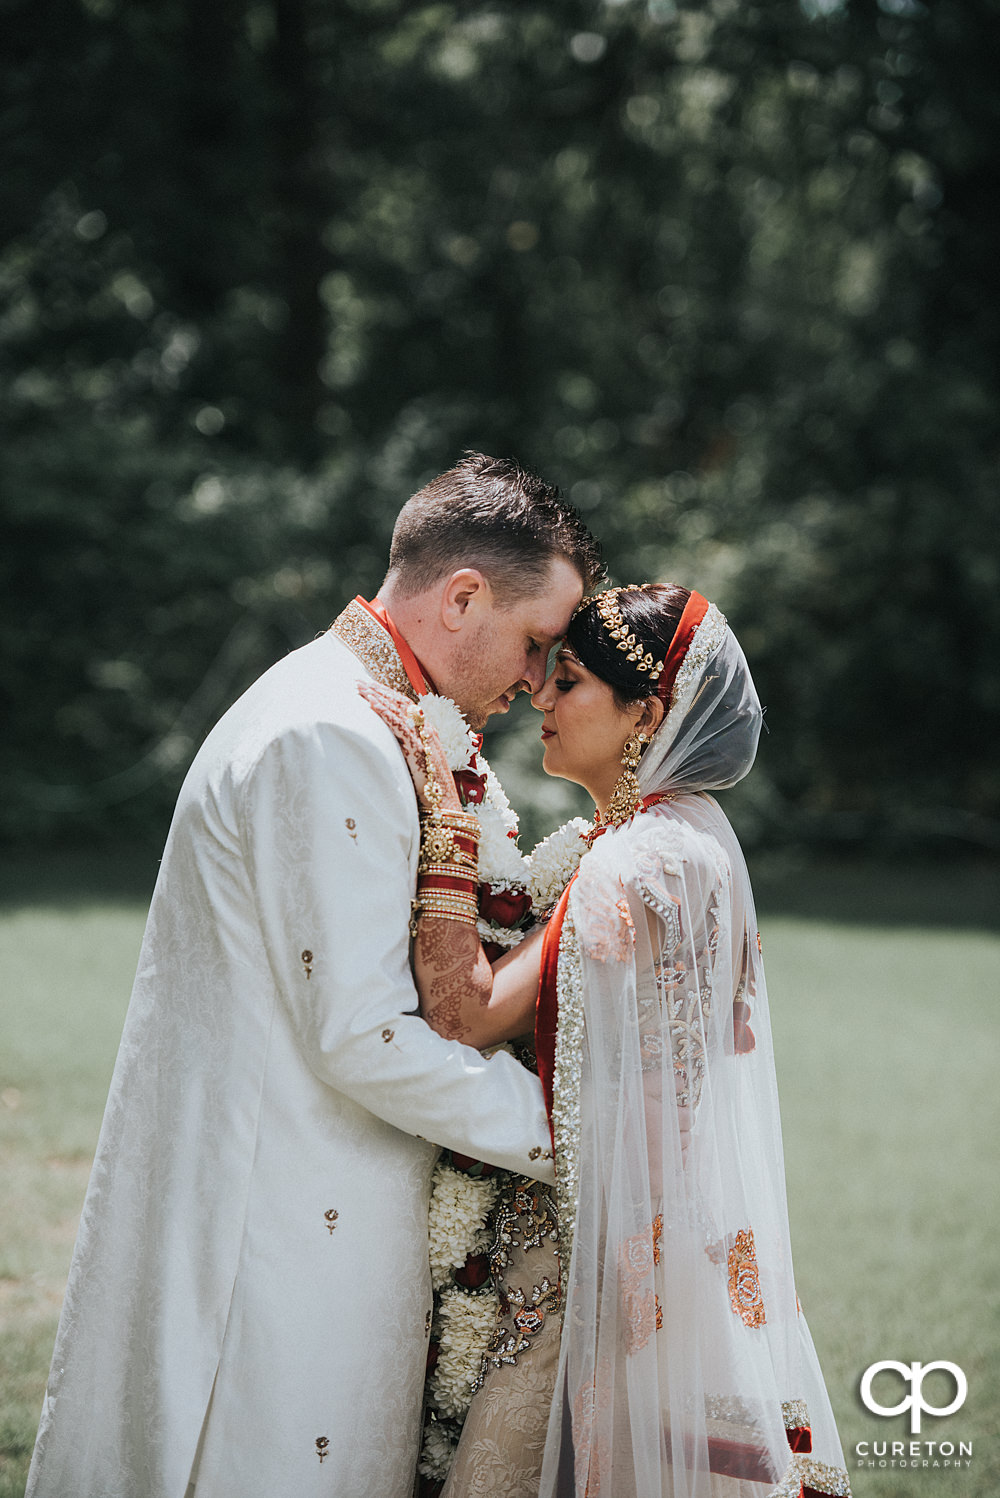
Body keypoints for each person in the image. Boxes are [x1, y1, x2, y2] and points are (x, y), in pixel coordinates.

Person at [25, 453, 604, 1498]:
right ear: (462, 593)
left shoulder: (376, 718)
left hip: (329, 1206)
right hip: (278, 1229)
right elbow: (361, 1033)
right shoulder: (326, 732)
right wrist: (581, 1133)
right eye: (531, 644)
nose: (531, 682)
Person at [366, 583, 852, 1498]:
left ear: (649, 714)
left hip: (592, 1254)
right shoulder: (691, 838)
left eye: (572, 681)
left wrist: (443, 810)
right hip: (673, 1238)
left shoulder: (631, 865)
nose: (541, 698)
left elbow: (466, 1015)